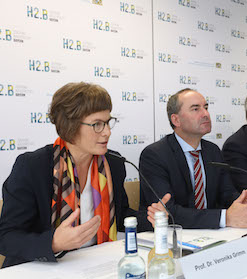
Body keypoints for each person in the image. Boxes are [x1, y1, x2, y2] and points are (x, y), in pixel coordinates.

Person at [0, 82, 149, 268]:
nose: (107, 132)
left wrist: (150, 218)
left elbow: (120, 215)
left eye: (108, 122)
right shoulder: (32, 166)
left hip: (95, 263)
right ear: (69, 126)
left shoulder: (114, 164)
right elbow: (7, 236)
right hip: (41, 269)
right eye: (97, 124)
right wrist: (54, 243)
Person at [139, 88, 247, 229]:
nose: (205, 114)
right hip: (175, 236)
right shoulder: (155, 155)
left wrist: (241, 204)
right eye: (196, 109)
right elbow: (166, 211)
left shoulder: (212, 150)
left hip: (212, 233)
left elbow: (225, 193)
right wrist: (224, 218)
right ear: (176, 120)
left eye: (206, 108)